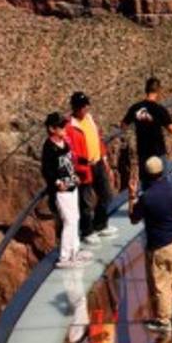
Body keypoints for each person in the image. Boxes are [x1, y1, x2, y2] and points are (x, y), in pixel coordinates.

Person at [129, 155, 172, 334]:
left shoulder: (147, 197)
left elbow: (134, 218)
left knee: (160, 283)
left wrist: (132, 196)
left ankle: (163, 320)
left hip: (158, 244)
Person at [65, 92, 116, 246]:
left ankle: (100, 224)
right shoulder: (70, 126)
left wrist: (105, 159)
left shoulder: (89, 119)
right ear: (75, 108)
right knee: (86, 201)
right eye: (82, 106)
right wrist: (77, 168)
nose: (85, 108)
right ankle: (87, 231)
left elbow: (98, 139)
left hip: (98, 162)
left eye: (86, 105)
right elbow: (70, 150)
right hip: (83, 167)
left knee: (107, 194)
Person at [121, 78, 172, 186]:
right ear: (159, 90)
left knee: (146, 183)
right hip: (158, 151)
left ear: (146, 90)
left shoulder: (135, 108)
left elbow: (123, 125)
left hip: (143, 152)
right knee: (164, 181)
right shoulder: (159, 109)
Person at [42, 112, 91, 269]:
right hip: (61, 191)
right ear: (52, 129)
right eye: (61, 126)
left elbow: (70, 161)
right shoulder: (49, 147)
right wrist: (57, 183)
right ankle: (64, 256)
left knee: (75, 218)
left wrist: (75, 175)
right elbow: (46, 169)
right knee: (69, 221)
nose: (65, 128)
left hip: (72, 186)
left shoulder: (65, 144)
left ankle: (74, 251)